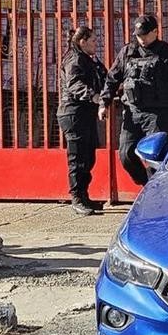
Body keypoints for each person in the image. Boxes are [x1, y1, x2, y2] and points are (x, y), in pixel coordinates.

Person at [99, 14, 168, 186]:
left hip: (158, 114)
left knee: (156, 157)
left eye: (145, 34)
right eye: (138, 35)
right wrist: (104, 102)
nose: (142, 39)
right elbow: (112, 79)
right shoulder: (127, 52)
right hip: (132, 112)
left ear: (155, 32)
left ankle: (158, 191)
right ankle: (147, 185)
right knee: (126, 154)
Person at [57, 25, 107, 216]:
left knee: (88, 156)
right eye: (93, 40)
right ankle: (77, 197)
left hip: (85, 113)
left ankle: (84, 195)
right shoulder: (74, 59)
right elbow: (74, 85)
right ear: (82, 41)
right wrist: (93, 96)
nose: (96, 44)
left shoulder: (88, 60)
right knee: (77, 157)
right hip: (73, 113)